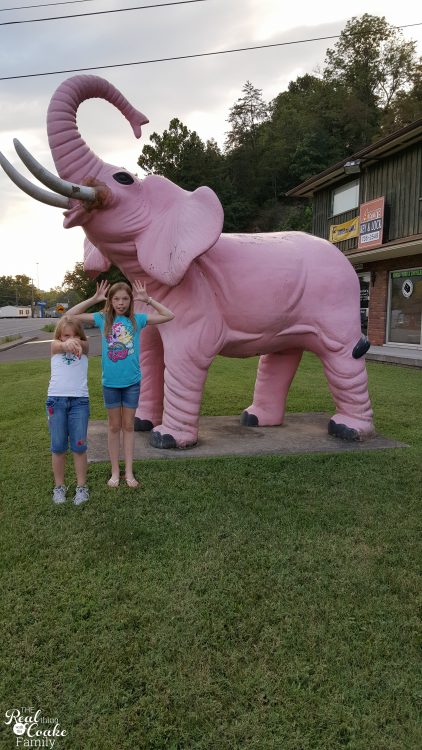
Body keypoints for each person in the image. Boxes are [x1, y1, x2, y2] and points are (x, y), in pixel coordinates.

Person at [67, 279, 174, 488]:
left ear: (131, 300)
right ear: (111, 301)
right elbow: (70, 315)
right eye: (116, 298)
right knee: (114, 427)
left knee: (128, 426)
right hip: (111, 384)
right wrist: (94, 299)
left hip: (132, 383)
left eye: (125, 298)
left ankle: (129, 473)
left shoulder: (137, 320)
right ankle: (115, 471)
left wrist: (148, 299)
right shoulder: (103, 318)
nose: (121, 303)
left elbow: (169, 315)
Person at [46, 315, 90, 505]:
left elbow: (84, 345)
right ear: (59, 336)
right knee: (58, 447)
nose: (70, 339)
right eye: (65, 335)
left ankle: (82, 487)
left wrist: (77, 343)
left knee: (79, 447)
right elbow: (57, 345)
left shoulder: (85, 347)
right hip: (56, 402)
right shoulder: (55, 346)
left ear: (80, 336)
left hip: (79, 402)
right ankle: (59, 487)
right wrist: (65, 345)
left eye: (74, 336)